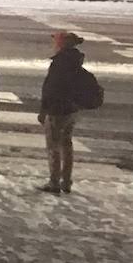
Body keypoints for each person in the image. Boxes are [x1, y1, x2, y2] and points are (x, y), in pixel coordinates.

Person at [39, 31, 99, 194]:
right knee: (67, 144)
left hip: (57, 110)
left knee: (54, 146)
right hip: (72, 109)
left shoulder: (60, 63)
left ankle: (54, 182)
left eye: (57, 41)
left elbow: (51, 89)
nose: (54, 44)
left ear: (62, 44)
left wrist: (44, 110)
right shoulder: (75, 61)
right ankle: (66, 181)